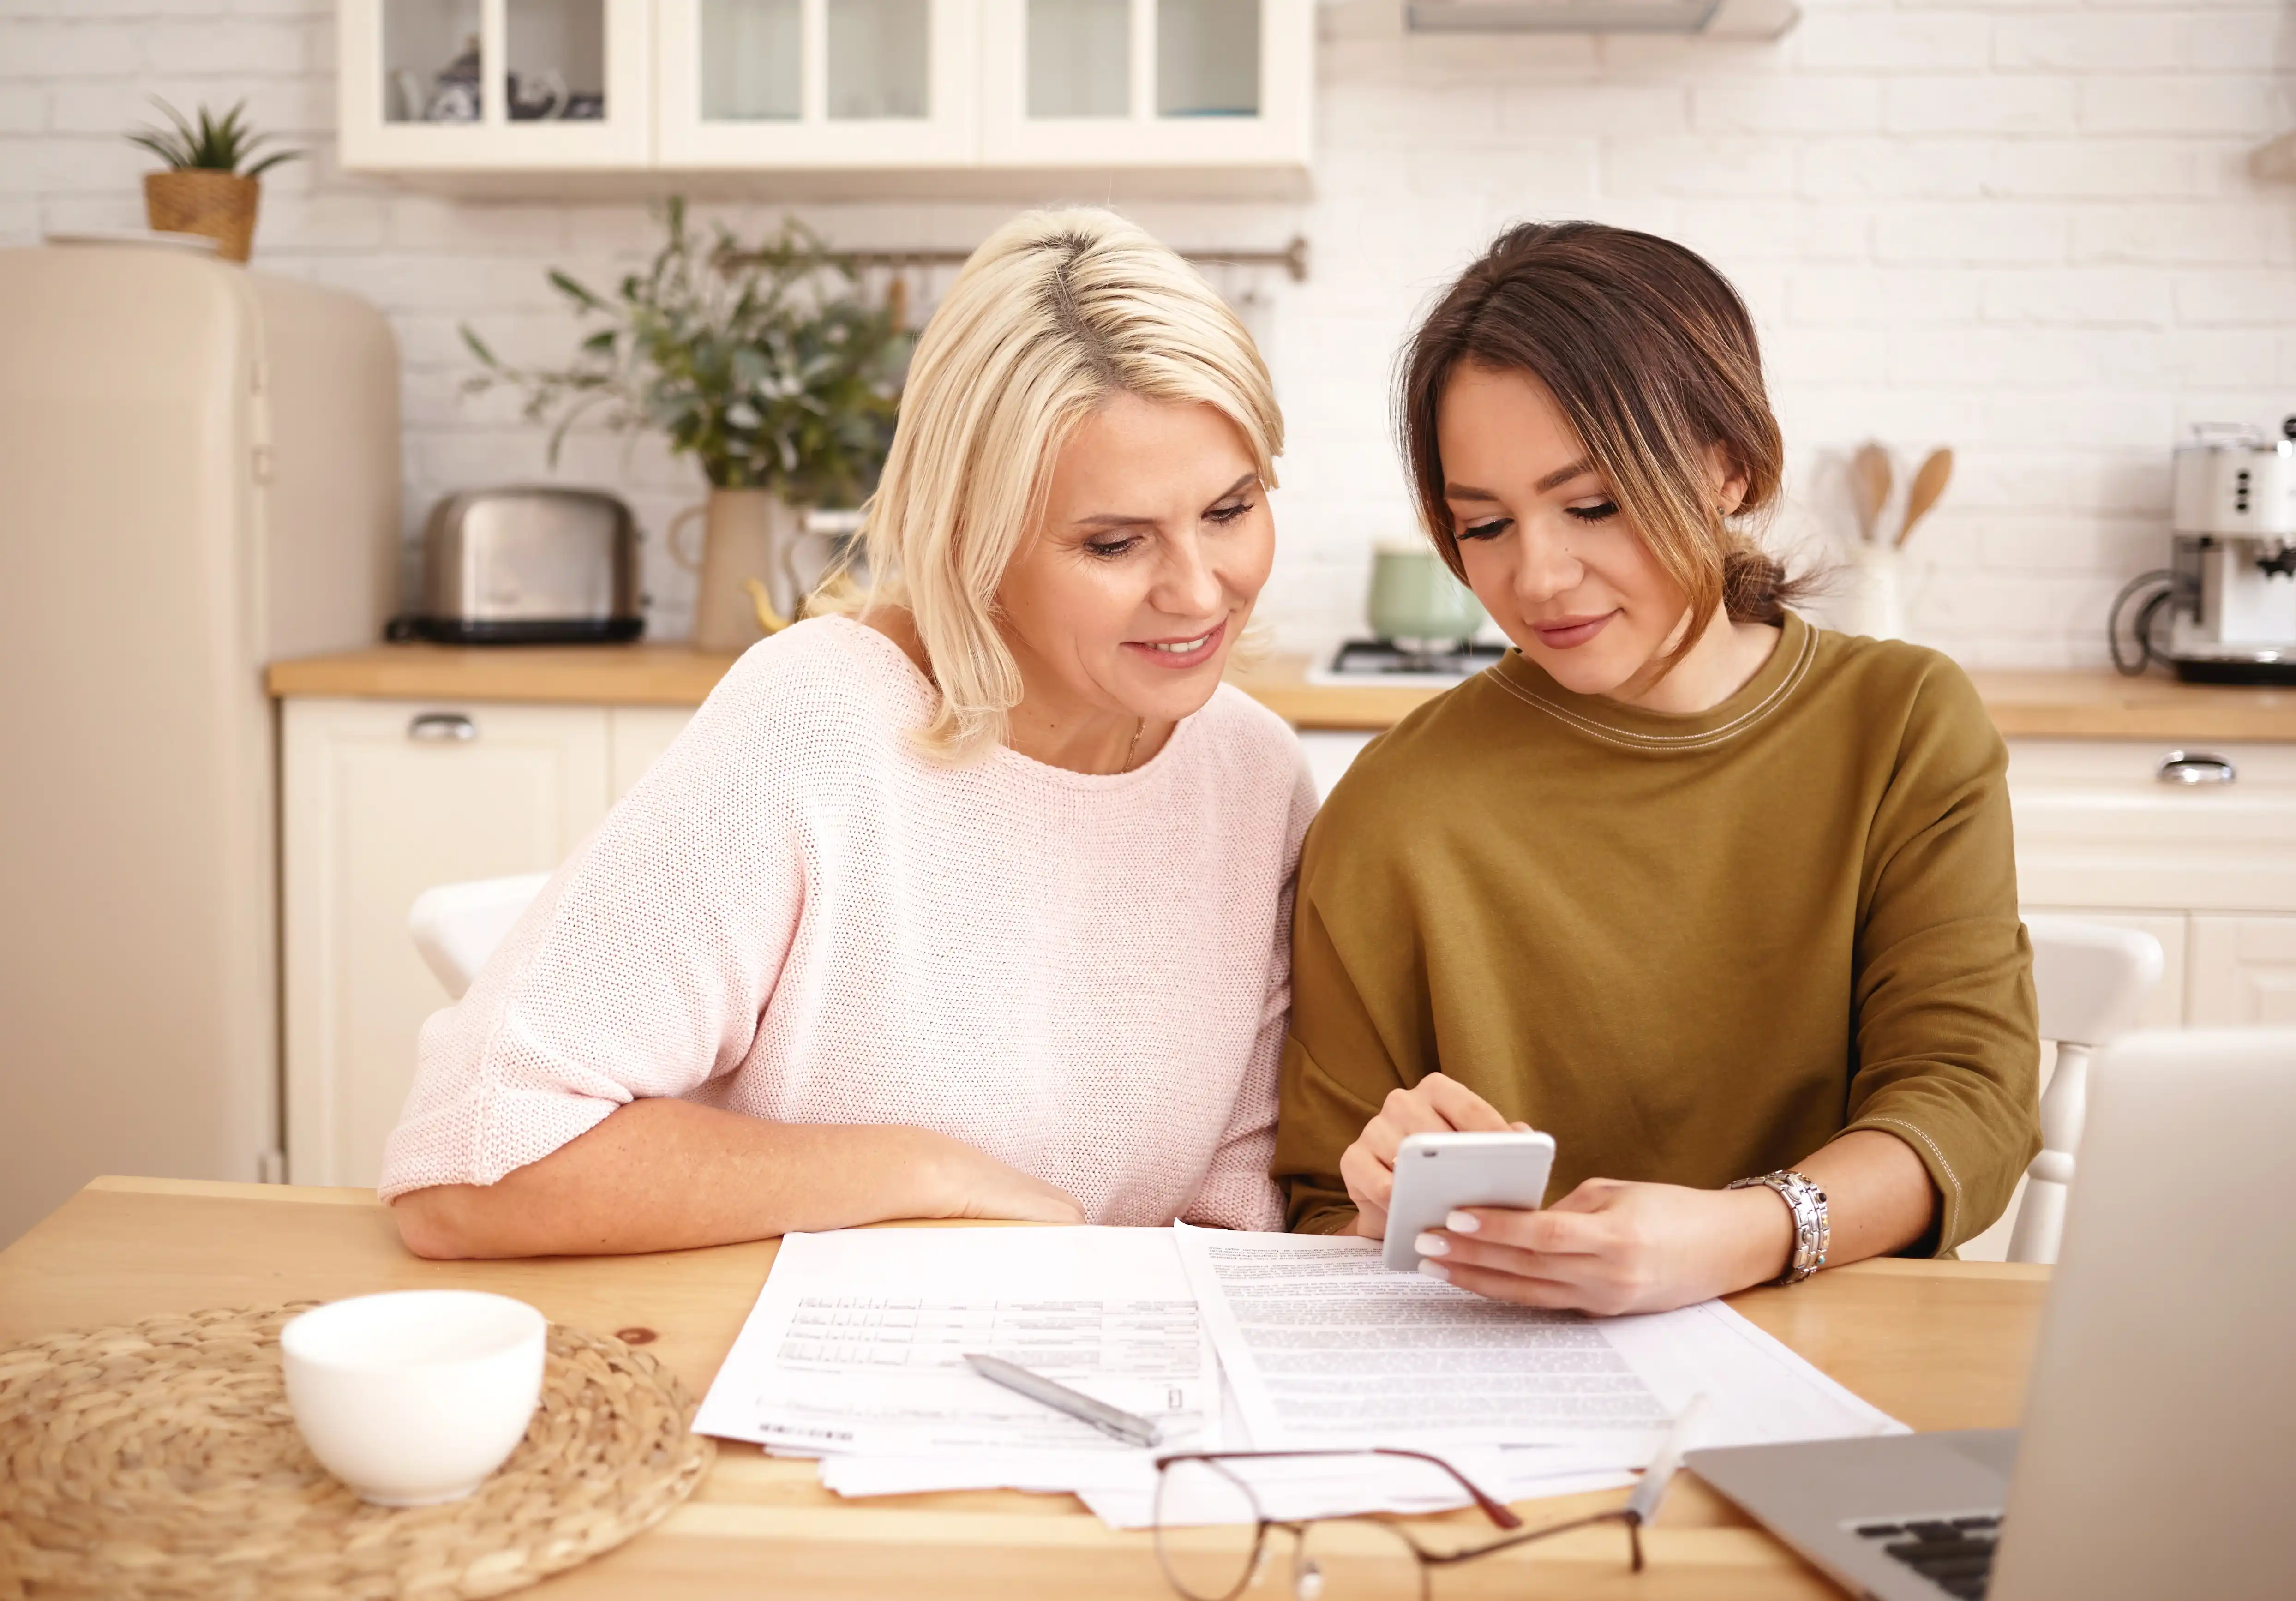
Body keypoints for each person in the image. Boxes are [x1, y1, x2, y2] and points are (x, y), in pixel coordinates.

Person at [384, 209, 1313, 1258]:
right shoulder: (819, 723)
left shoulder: (1254, 775)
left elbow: (1239, 1214)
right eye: (1113, 543)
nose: (1198, 591)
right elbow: (469, 1168)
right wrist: (923, 1174)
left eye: (1230, 512)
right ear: (971, 535)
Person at [1272, 222, 2039, 1315]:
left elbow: (1970, 1101)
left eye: (1592, 505)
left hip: (1841, 1349)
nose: (1537, 576)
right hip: (1502, 1391)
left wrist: (1742, 1233)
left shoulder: (1902, 723)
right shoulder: (1394, 809)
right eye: (1483, 524)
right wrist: (1379, 1197)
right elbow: (1316, 1222)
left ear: (1729, 466)